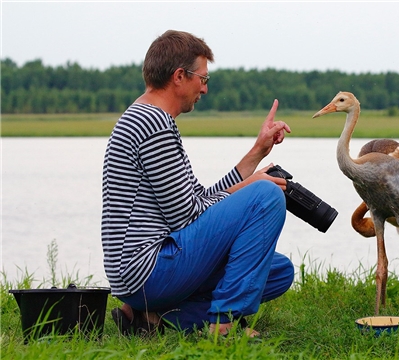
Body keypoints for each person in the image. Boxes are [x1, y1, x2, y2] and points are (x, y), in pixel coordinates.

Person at [101, 30, 294, 337]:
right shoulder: (153, 126)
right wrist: (253, 188)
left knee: (278, 271)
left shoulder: (147, 117)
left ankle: (154, 317)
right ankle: (223, 325)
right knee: (267, 196)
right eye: (203, 79)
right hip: (148, 271)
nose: (204, 89)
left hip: (143, 276)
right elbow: (187, 218)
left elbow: (200, 200)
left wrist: (257, 152)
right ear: (179, 76)